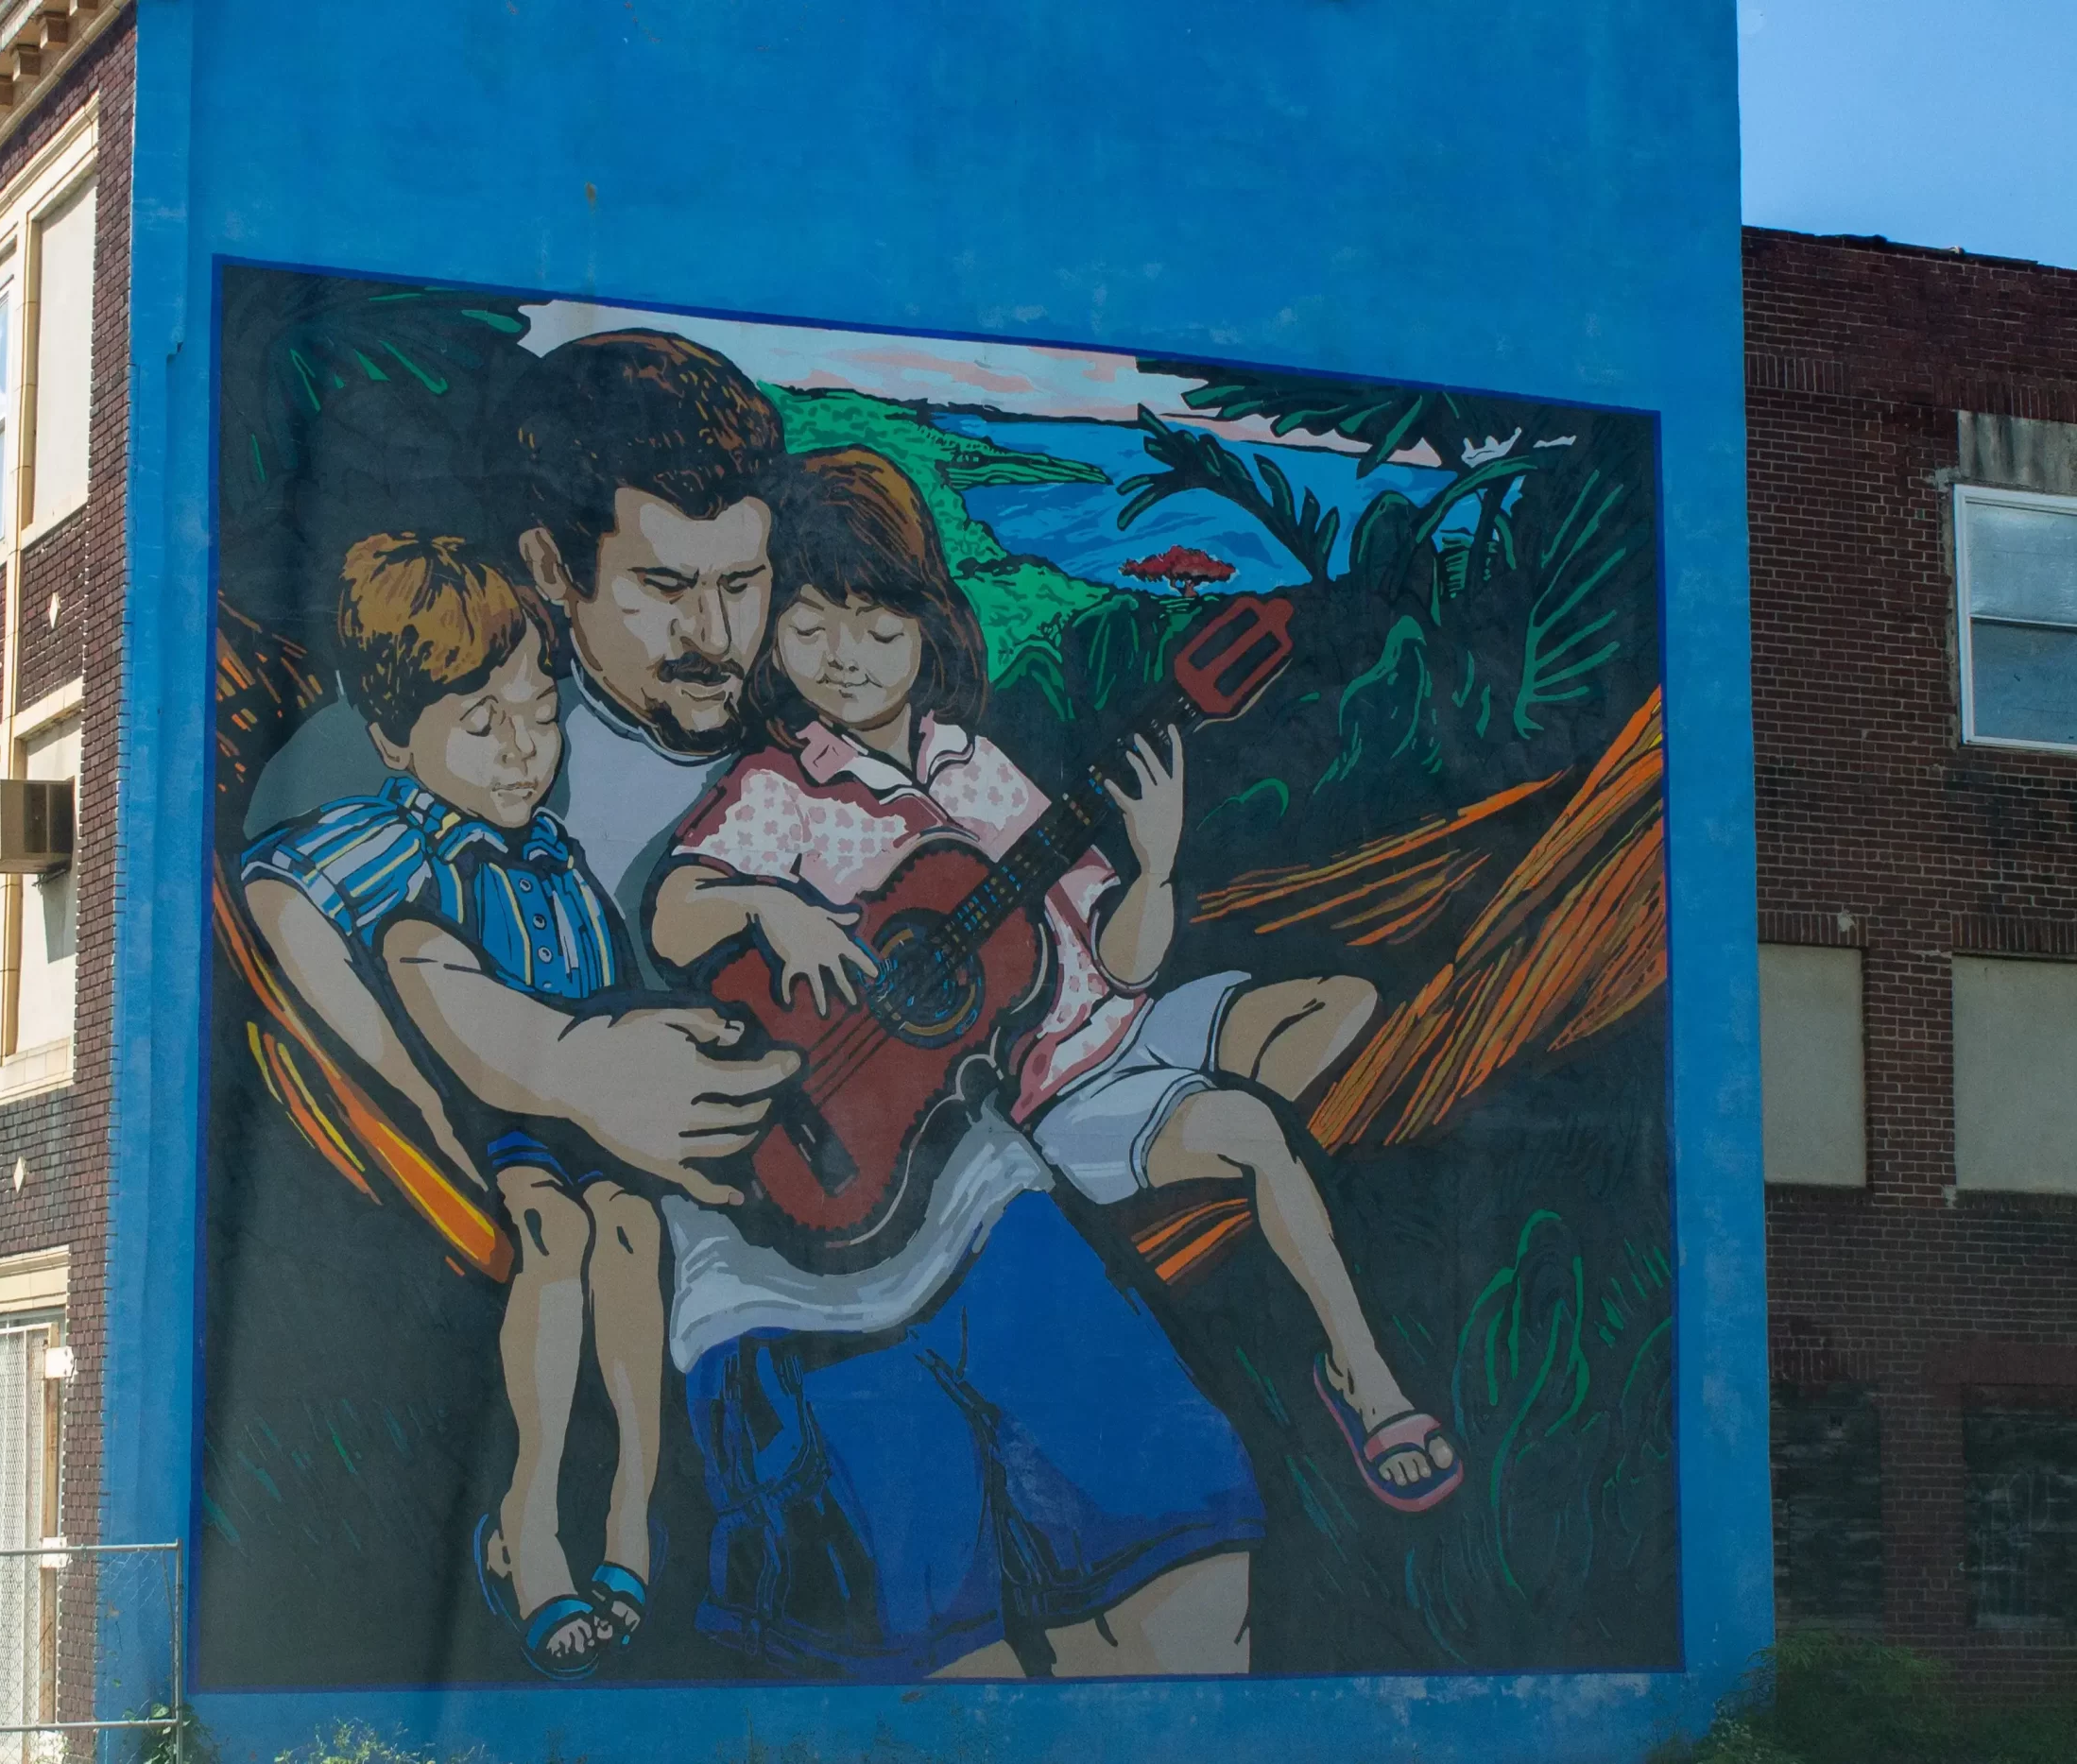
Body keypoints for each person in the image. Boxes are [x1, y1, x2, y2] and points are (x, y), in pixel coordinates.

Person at [469, 333, 1266, 1678]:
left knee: (1189, 1578)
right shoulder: (494, 751)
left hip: (985, 1204)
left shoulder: (848, 755)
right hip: (777, 1280)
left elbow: (1063, 942)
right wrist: (565, 1063)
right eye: (668, 586)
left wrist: (1148, 862)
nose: (722, 635)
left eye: (744, 584)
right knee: (941, 1665)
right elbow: (396, 950)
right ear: (556, 573)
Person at [655, 448, 1463, 1521]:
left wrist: (1157, 861)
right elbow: (674, 913)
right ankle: (1365, 1377)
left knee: (1346, 1007)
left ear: (928, 621)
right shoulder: (783, 786)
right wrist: (772, 905)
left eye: (879, 625)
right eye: (809, 629)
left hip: (1118, 1022)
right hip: (1042, 1089)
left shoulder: (975, 765)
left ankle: (1230, 1197)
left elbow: (1120, 959)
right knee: (1256, 1127)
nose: (845, 658)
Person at [239, 534, 667, 1678]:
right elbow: (277, 889)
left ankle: (628, 1514)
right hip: (490, 1120)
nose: (524, 751)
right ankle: (528, 1529)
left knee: (634, 1231)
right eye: (482, 724)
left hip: (587, 1113)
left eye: (539, 713)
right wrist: (417, 1091)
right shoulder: (404, 841)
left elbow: (612, 993)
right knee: (557, 1230)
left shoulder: (560, 858)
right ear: (394, 738)